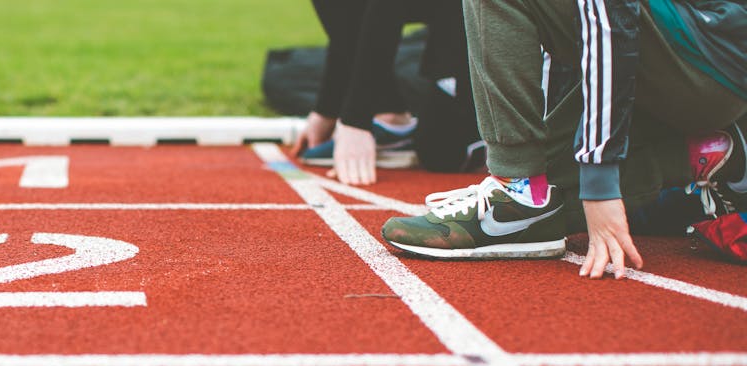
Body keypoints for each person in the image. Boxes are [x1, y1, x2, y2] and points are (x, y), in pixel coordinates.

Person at [381, 0, 747, 277]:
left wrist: (598, 181)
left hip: (706, 57)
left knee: (550, 192)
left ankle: (519, 188)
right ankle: (712, 152)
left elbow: (608, 20)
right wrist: (550, 158)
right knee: (546, 203)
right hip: (699, 65)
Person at [290, 0, 479, 184]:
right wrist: (328, 107)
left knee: (446, 153)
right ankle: (391, 117)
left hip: (490, 17)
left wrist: (356, 121)